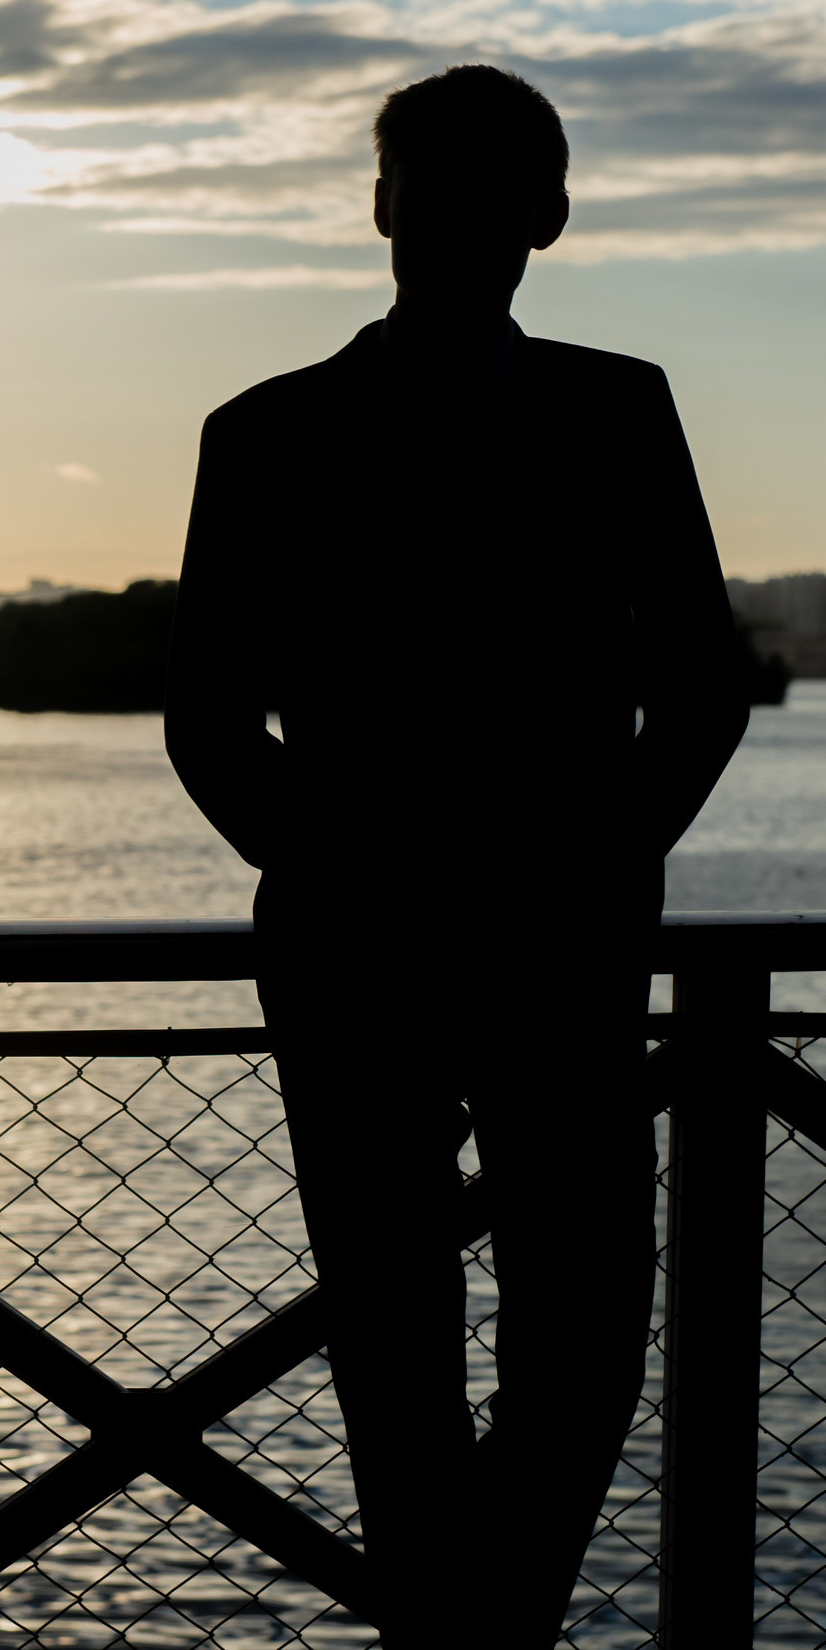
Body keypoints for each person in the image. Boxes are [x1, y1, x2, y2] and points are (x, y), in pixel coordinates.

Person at [165, 64, 748, 1650]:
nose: (448, 216)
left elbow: (700, 680)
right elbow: (209, 718)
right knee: (392, 1349)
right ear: (381, 207)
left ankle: (469, 1633)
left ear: (543, 219)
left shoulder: (617, 408)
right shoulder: (264, 433)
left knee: (586, 1344)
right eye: (427, 183)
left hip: (555, 952)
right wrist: (356, 882)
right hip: (359, 962)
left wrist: (591, 870)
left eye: (485, 188)